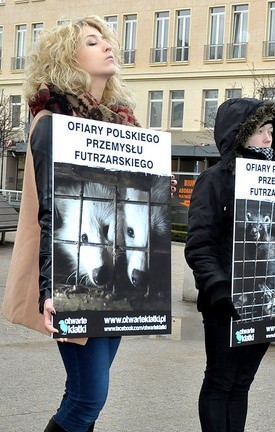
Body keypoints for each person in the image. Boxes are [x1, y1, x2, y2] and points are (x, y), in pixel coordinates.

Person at [0, 16, 141, 432]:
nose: (107, 46)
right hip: (74, 277)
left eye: (106, 40)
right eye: (93, 41)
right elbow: (52, 212)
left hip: (114, 278)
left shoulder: (121, 123)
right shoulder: (52, 121)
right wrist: (51, 290)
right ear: (68, 57)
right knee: (86, 399)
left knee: (86, 399)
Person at [185, 97, 275, 432]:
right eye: (260, 130)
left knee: (242, 383)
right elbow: (199, 243)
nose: (267, 138)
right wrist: (216, 287)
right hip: (225, 302)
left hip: (263, 301)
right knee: (220, 381)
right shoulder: (214, 179)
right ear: (238, 134)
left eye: (271, 131)